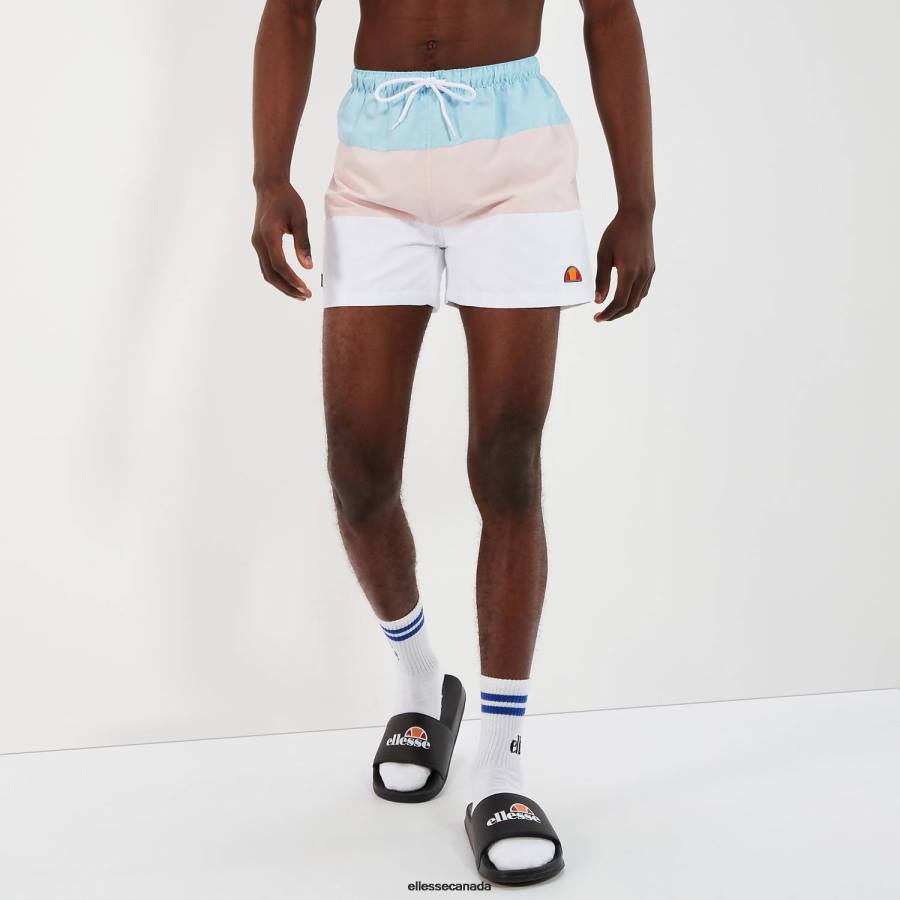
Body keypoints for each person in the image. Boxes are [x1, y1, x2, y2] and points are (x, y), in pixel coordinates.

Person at [251, 0, 655, 886]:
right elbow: (290, 11)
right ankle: (421, 680)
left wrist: (639, 203)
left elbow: (609, 16)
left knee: (507, 461)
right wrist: (268, 176)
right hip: (377, 154)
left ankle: (501, 770)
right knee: (358, 470)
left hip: (516, 160)